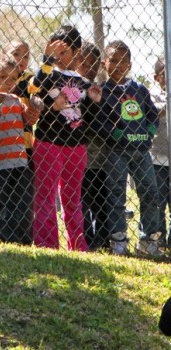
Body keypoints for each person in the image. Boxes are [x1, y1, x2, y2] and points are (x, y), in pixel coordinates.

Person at [31, 25, 101, 251]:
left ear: (77, 52)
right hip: (48, 142)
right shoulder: (47, 73)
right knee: (46, 196)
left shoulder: (83, 81)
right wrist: (47, 59)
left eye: (64, 52)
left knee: (72, 199)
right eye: (54, 52)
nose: (58, 57)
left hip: (76, 146)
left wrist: (93, 102)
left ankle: (78, 244)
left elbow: (88, 118)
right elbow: (36, 87)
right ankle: (47, 244)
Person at [98, 40, 162, 256]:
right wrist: (115, 133)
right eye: (113, 61)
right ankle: (118, 239)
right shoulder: (103, 91)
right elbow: (100, 121)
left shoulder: (139, 90)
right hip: (116, 151)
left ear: (130, 64)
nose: (118, 65)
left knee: (150, 192)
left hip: (141, 151)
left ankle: (147, 239)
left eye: (123, 61)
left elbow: (153, 114)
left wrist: (150, 130)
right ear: (104, 63)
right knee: (116, 194)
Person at [0, 56, 40, 244]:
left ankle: (21, 239)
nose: (7, 83)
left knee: (21, 201)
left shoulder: (16, 99)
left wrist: (34, 107)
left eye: (12, 79)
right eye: (2, 77)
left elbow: (29, 119)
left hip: (20, 159)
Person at [75, 42, 110, 251]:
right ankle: (84, 241)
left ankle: (103, 243)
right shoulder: (74, 87)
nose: (88, 67)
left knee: (101, 204)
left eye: (93, 63)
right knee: (81, 205)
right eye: (83, 62)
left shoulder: (100, 90)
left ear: (100, 65)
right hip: (79, 158)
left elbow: (104, 122)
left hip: (100, 160)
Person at [151, 56, 170, 246]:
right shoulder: (152, 95)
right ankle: (157, 240)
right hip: (157, 159)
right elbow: (152, 113)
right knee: (157, 202)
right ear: (157, 78)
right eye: (166, 74)